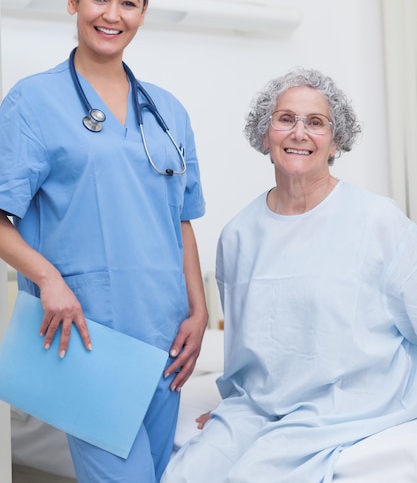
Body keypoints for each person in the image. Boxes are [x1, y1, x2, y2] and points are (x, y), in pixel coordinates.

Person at [0, 0, 208, 483]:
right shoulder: (33, 102)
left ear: (142, 13)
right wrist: (47, 278)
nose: (112, 14)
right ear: (73, 1)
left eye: (128, 2)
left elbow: (181, 221)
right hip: (86, 334)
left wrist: (199, 310)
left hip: (166, 335)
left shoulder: (168, 111)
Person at [162, 68, 417, 482]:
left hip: (344, 402)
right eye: (285, 119)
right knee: (183, 475)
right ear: (265, 136)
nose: (300, 133)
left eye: (316, 123)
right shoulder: (238, 235)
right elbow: (246, 346)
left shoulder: (378, 221)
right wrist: (235, 404)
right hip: (258, 405)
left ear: (336, 143)